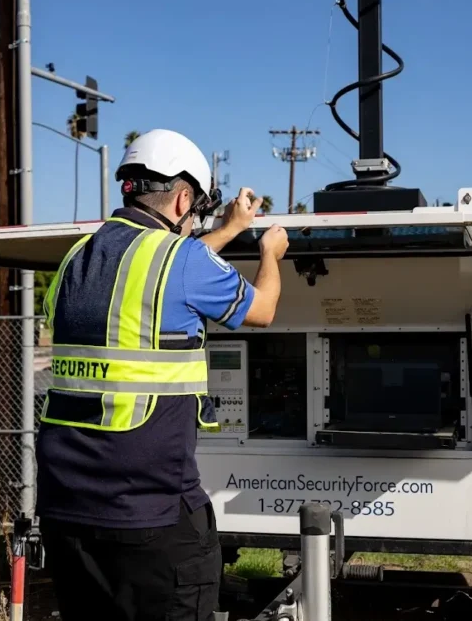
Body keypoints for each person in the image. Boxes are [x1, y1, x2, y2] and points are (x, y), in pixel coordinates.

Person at [36, 128, 290, 621]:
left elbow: (169, 265)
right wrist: (268, 254)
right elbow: (262, 310)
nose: (194, 225)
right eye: (195, 214)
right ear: (182, 200)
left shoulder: (75, 259)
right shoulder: (182, 259)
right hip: (150, 517)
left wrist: (230, 228)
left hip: (66, 511)